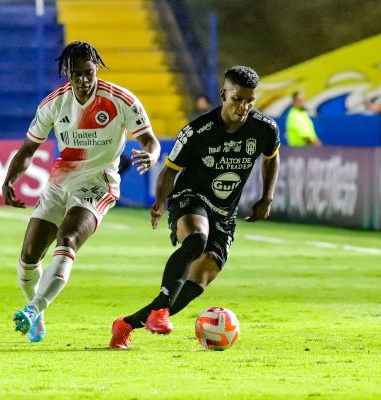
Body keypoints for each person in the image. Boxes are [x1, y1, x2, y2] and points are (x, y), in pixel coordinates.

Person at [109, 65, 280, 349]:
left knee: (198, 280)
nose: (244, 107)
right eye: (237, 99)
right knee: (196, 240)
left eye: (250, 100)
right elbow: (169, 171)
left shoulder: (264, 128)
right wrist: (159, 203)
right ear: (223, 94)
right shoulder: (197, 131)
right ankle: (160, 311)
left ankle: (126, 324)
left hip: (225, 212)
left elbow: (272, 157)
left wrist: (267, 197)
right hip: (191, 196)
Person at [3, 41, 160, 343]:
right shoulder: (54, 104)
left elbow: (150, 141)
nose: (85, 80)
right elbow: (28, 149)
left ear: (96, 69)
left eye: (89, 73)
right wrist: (9, 181)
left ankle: (34, 309)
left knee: (69, 238)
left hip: (98, 183)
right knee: (28, 258)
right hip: (60, 182)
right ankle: (38, 315)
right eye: (77, 74)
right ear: (68, 74)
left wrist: (151, 156)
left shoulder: (120, 100)